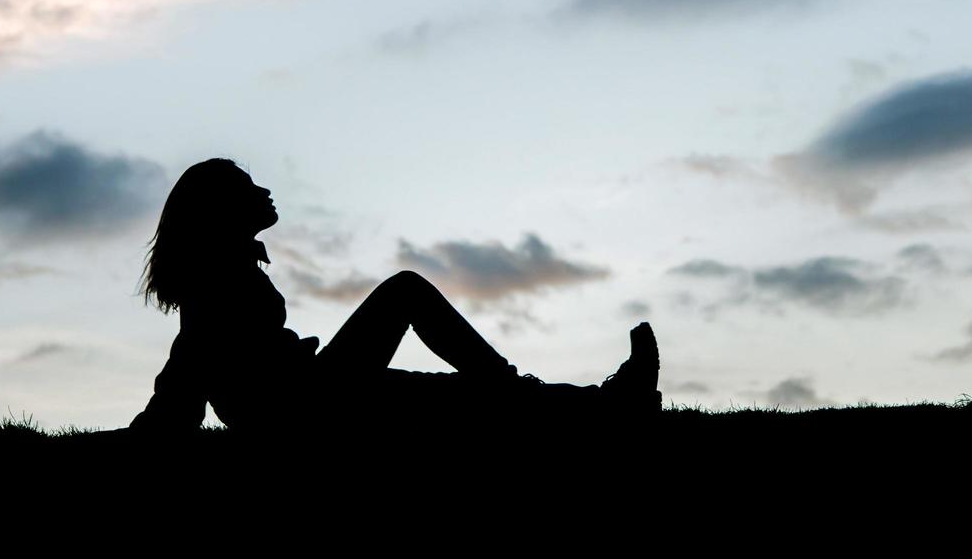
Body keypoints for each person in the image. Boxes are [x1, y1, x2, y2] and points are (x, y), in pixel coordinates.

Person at [128, 158, 660, 432]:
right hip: (303, 408)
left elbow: (186, 375)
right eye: (247, 188)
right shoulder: (217, 282)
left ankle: (606, 404)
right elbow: (187, 372)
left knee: (467, 397)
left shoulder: (227, 271)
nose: (264, 192)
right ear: (222, 209)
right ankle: (602, 404)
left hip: (311, 395)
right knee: (407, 293)